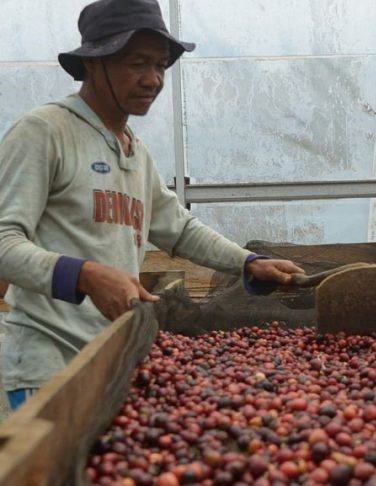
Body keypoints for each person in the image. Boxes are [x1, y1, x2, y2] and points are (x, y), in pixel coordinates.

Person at [0, 0, 305, 410]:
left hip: (111, 362)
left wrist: (249, 263)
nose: (153, 80)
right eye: (137, 63)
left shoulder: (135, 152)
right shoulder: (45, 132)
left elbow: (178, 228)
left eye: (161, 66)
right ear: (93, 64)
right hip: (44, 369)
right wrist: (86, 275)